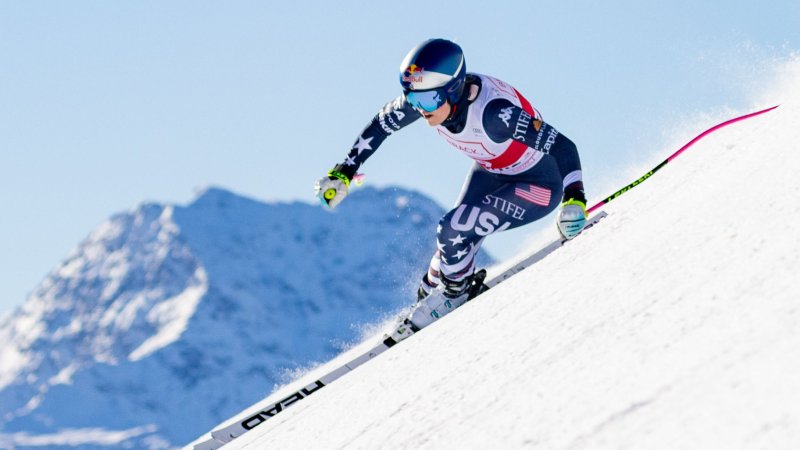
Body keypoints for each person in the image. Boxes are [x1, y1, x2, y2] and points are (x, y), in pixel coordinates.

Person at [314, 38, 587, 334]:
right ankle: (438, 294)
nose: (421, 110)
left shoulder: (495, 115)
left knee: (452, 230)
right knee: (441, 261)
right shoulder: (427, 100)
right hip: (493, 171)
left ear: (453, 90)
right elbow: (381, 125)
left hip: (539, 185)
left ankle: (456, 294)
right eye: (414, 100)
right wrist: (344, 172)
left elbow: (563, 146)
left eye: (428, 101)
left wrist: (574, 200)